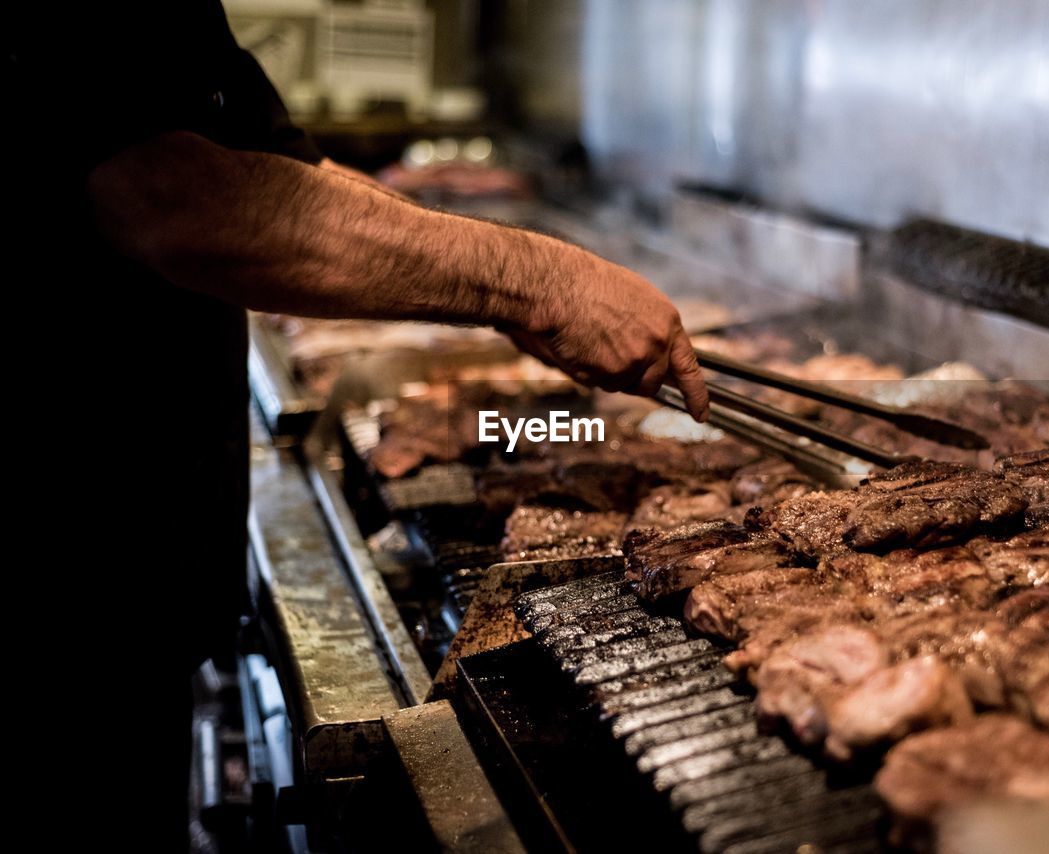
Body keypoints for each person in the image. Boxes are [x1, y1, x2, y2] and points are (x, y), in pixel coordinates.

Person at [4, 3, 706, 846]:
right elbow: (171, 195)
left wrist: (510, 287)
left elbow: (288, 173)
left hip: (122, 595)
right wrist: (535, 279)